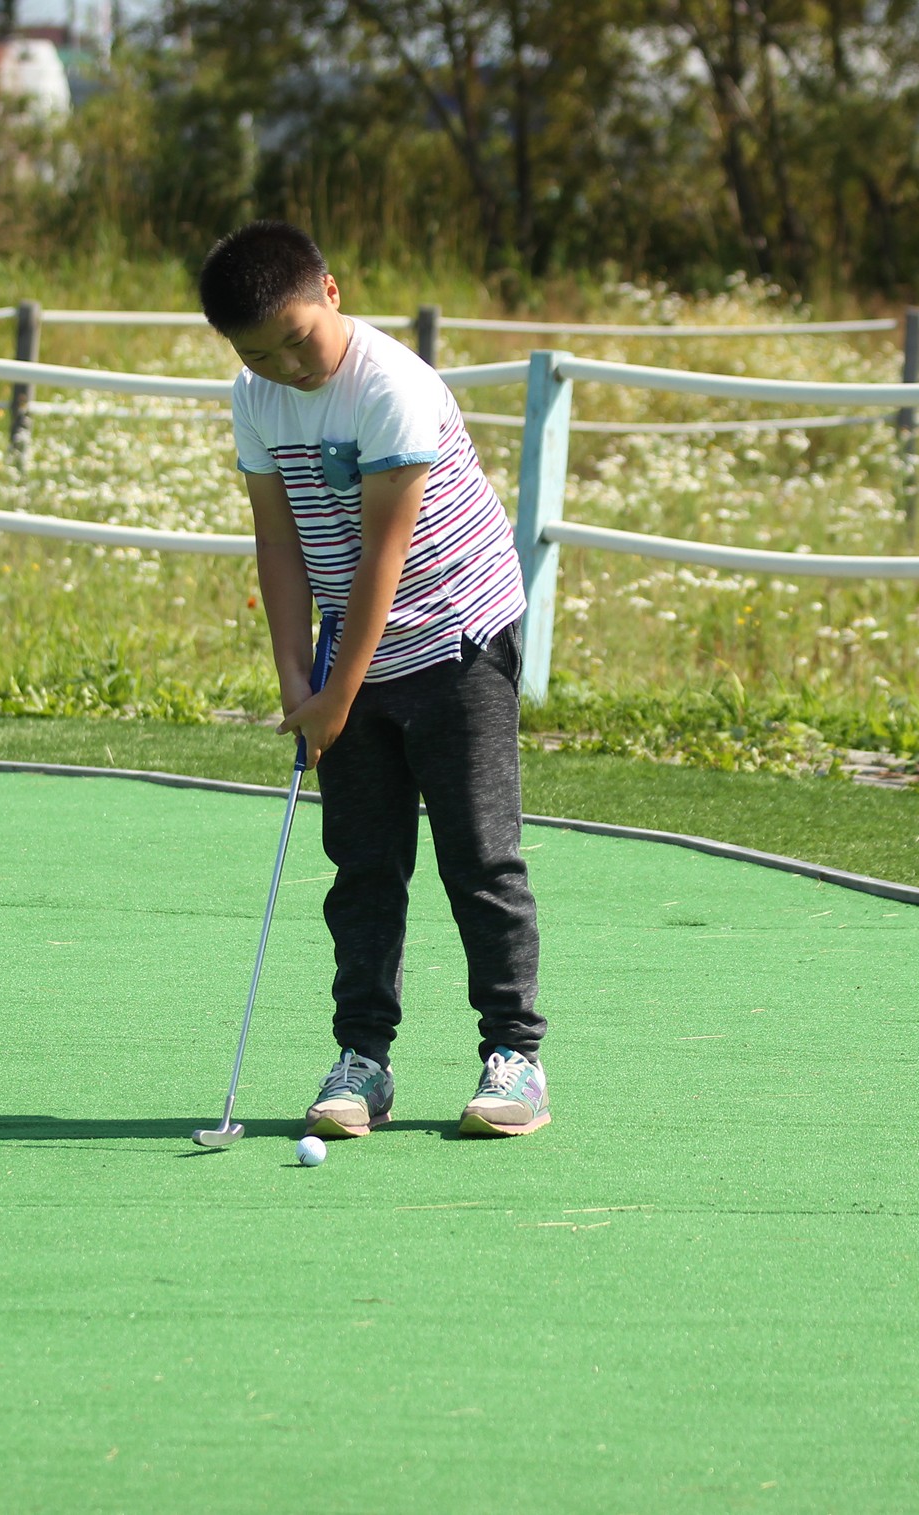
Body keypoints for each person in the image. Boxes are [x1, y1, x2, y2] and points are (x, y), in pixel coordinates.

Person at [197, 220, 548, 1139]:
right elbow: (278, 542)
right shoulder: (256, 397)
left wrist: (335, 699)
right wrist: (293, 684)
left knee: (479, 857)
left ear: (333, 293)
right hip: (348, 654)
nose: (286, 367)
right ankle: (364, 1061)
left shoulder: (392, 386)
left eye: (296, 338)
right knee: (362, 866)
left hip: (453, 637)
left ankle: (514, 1057)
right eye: (258, 354)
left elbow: (382, 565)